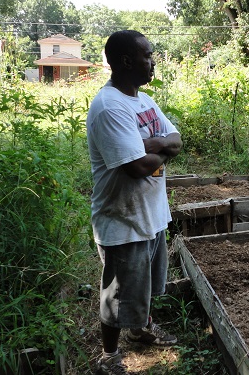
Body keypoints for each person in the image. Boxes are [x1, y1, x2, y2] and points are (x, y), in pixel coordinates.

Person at [86, 30, 183, 375]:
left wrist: (152, 144)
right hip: (122, 221)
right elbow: (136, 168)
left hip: (151, 214)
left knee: (143, 287)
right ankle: (108, 357)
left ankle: (140, 330)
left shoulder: (145, 101)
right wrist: (157, 149)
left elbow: (176, 140)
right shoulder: (108, 106)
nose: (153, 61)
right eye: (148, 55)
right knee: (117, 295)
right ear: (126, 61)